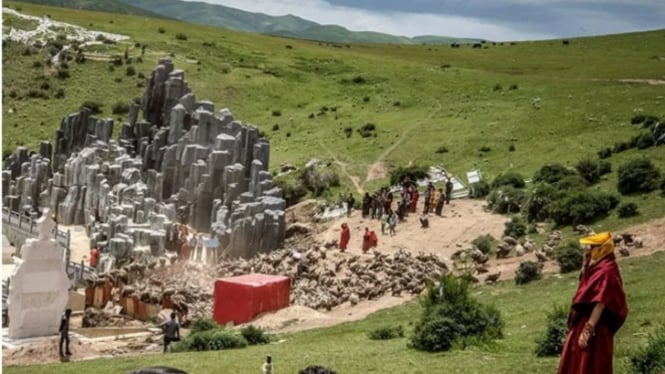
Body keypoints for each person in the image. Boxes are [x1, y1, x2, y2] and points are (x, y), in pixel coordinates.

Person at [557, 232, 628, 374]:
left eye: (593, 247)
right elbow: (585, 288)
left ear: (602, 248)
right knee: (575, 363)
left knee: (591, 364)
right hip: (584, 322)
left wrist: (587, 330)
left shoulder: (606, 271)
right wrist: (585, 265)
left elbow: (600, 302)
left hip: (596, 326)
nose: (590, 250)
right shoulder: (598, 267)